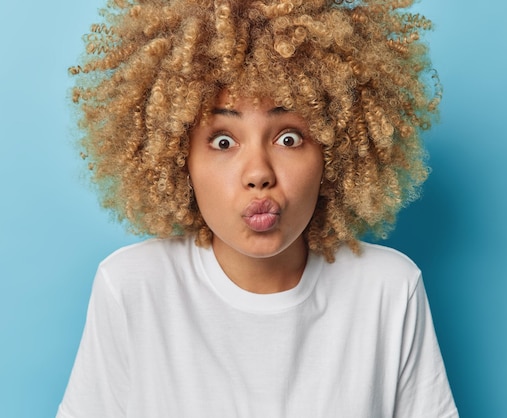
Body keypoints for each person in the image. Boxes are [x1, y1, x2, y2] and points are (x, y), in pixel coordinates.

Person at [57, 0, 458, 416]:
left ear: (334, 150)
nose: (258, 174)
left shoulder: (388, 290)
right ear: (177, 157)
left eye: (288, 138)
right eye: (223, 141)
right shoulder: (132, 288)